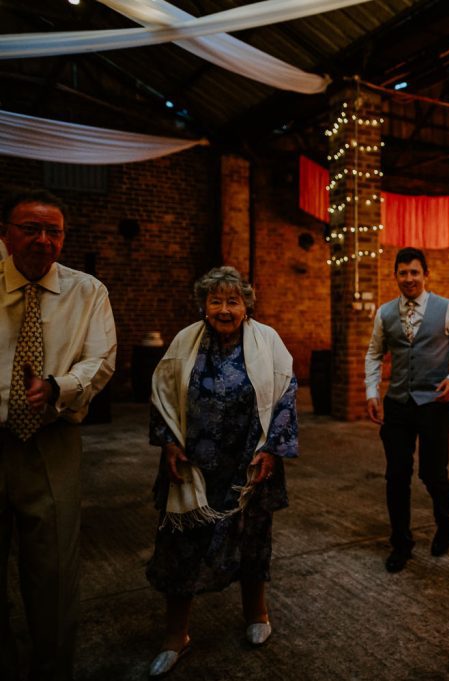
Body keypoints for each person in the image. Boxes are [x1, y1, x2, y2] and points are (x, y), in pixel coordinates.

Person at [146, 266, 298, 677]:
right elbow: (161, 392)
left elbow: (285, 394)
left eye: (233, 301)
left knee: (252, 543)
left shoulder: (267, 341)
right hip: (194, 469)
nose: (225, 309)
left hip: (249, 467)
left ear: (247, 305)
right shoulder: (185, 341)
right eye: (216, 301)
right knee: (180, 549)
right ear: (204, 305)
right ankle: (176, 636)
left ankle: (257, 615)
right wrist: (169, 442)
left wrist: (271, 449)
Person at [0, 189, 117, 681]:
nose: (44, 240)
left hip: (52, 442)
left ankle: (52, 669)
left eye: (54, 231)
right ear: (6, 232)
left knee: (53, 573)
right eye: (31, 228)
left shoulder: (88, 292)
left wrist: (56, 387)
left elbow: (101, 359)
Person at [364, 247, 449, 573]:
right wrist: (372, 391)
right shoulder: (385, 313)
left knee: (432, 471)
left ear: (426, 275)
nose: (409, 278)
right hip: (397, 404)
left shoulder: (447, 309)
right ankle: (401, 542)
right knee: (396, 475)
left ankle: (447, 521)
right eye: (403, 272)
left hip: (435, 404)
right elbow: (374, 354)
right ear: (395, 275)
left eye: (415, 272)